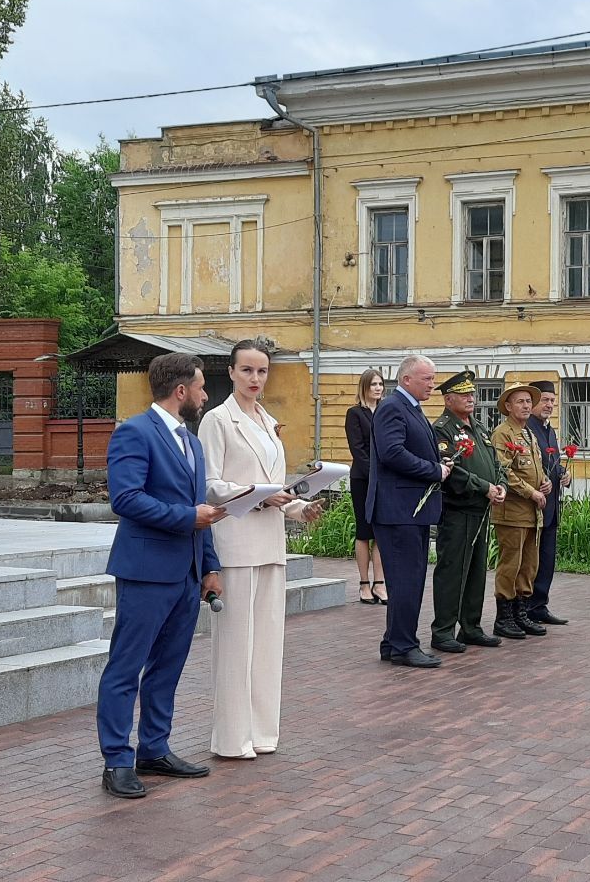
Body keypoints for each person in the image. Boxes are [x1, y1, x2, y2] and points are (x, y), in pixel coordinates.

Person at [96, 352, 225, 799]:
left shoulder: (193, 442)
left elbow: (202, 514)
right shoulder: (134, 432)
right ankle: (116, 759)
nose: (206, 394)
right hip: (146, 571)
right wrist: (186, 517)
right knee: (126, 667)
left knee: (167, 668)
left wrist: (210, 566)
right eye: (202, 386)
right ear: (181, 390)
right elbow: (125, 499)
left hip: (187, 574)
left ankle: (153, 748)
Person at [198, 338, 323, 759]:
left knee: (268, 644)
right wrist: (258, 496)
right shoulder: (217, 420)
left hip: (270, 544)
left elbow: (277, 487)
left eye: (262, 371)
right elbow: (211, 485)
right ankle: (232, 738)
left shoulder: (268, 421)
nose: (255, 378)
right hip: (234, 544)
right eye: (247, 370)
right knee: (234, 646)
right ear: (231, 372)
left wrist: (300, 507)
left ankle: (262, 732)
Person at [367, 354, 452, 668]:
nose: (433, 384)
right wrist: (433, 470)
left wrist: (438, 466)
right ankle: (404, 645)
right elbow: (391, 453)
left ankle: (393, 642)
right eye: (427, 378)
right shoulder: (393, 407)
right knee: (406, 580)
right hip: (398, 509)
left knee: (410, 578)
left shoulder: (410, 408)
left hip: (409, 510)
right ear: (406, 379)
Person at [429, 370, 506, 652]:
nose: (471, 398)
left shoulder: (480, 428)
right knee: (453, 571)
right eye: (464, 395)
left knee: (476, 570)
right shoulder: (442, 429)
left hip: (482, 509)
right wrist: (483, 486)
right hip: (458, 510)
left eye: (472, 394)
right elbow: (452, 470)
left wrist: (501, 486)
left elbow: (496, 463)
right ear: (449, 400)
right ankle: (443, 631)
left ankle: (471, 627)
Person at [490, 383, 551, 639]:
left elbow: (534, 467)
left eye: (528, 401)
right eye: (520, 402)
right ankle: (504, 617)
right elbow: (504, 471)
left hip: (532, 513)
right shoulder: (503, 433)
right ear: (508, 406)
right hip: (512, 512)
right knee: (510, 565)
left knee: (529, 565)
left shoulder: (528, 434)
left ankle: (521, 613)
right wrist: (531, 492)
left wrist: (545, 480)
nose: (526, 406)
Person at [526, 379, 570, 626]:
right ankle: (526, 606)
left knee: (547, 558)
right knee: (531, 560)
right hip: (533, 505)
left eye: (553, 400)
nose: (550, 405)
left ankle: (539, 604)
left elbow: (552, 461)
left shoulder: (549, 430)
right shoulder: (527, 429)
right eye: (545, 400)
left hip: (552, 505)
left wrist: (564, 473)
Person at [345, 368, 386, 605]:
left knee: (380, 531)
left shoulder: (386, 411)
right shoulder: (355, 413)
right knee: (364, 531)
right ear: (364, 387)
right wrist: (375, 476)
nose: (378, 388)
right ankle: (363, 583)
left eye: (380, 384)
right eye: (373, 385)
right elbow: (358, 449)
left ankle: (379, 583)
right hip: (363, 479)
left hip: (385, 479)